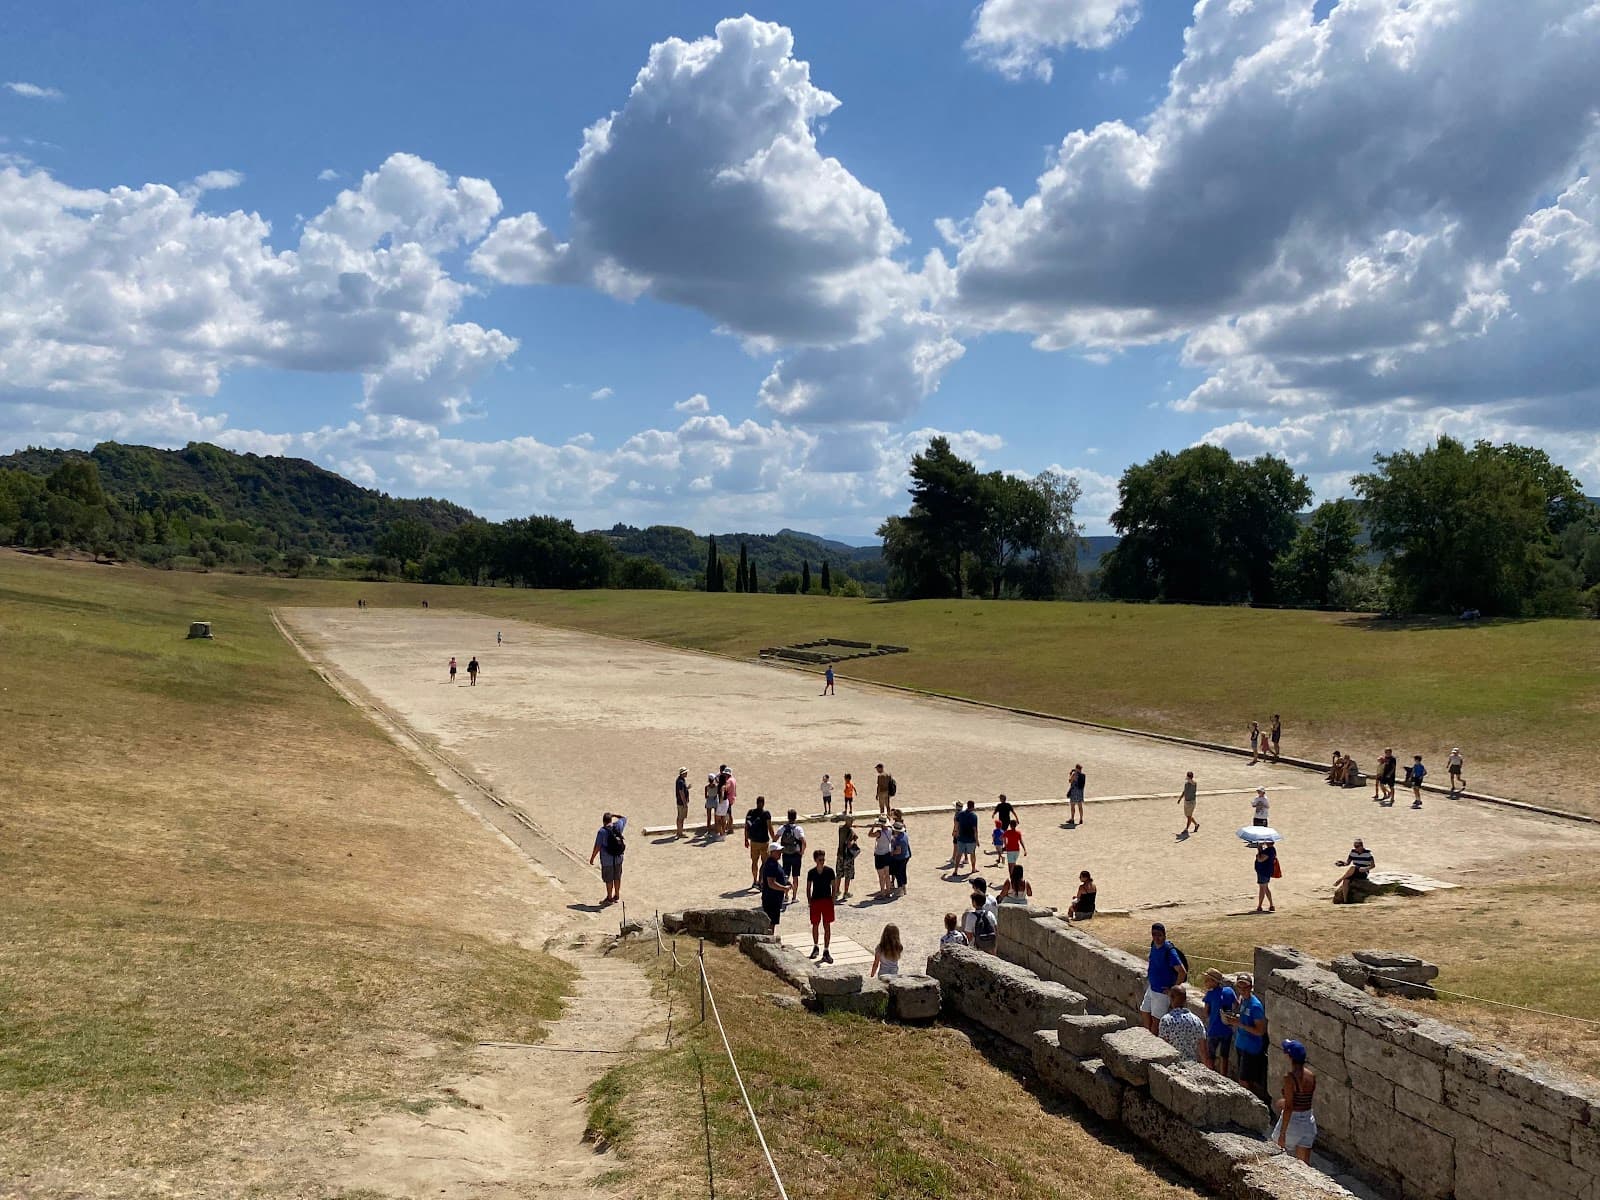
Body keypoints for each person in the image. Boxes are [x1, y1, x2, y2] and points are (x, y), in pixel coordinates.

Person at [1226, 973, 1269, 1101]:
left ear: (1251, 987)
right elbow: (1245, 1019)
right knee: (1244, 1078)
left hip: (1251, 1048)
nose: (1242, 990)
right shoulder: (1243, 1000)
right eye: (1239, 987)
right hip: (1241, 1044)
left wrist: (1239, 1024)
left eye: (1245, 987)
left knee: (1244, 1080)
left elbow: (1260, 1031)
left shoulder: (1255, 1006)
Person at [1273, 1040, 1318, 1162]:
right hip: (1308, 1122)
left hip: (1292, 1123)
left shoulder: (1289, 1078)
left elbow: (1289, 1107)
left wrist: (1282, 1134)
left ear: (1290, 1056)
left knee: (1276, 1156)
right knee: (1304, 1167)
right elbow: (1303, 1099)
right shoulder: (1311, 1076)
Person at [1142, 923, 1187, 1032]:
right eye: (1154, 934)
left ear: (1164, 935)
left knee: (1156, 1021)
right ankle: (1147, 1035)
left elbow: (1182, 972)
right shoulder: (1153, 945)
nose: (1156, 938)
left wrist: (1172, 990)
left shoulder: (1169, 951)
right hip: (1152, 987)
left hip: (1162, 992)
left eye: (1159, 935)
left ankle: (1153, 1043)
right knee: (1144, 1011)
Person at [1201, 968, 1237, 1075]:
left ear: (1214, 982)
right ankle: (1223, 1075)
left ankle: (1211, 1074)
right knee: (1224, 1055)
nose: (1205, 982)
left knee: (1211, 1054)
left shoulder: (1210, 994)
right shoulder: (1229, 991)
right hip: (1227, 1028)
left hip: (1214, 1029)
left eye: (1207, 980)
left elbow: (1206, 1012)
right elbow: (1236, 1004)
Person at [1158, 984, 1206, 1063]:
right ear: (1185, 999)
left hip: (1173, 1066)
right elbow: (1203, 1051)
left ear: (1171, 998)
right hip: (1191, 1067)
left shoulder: (1167, 1021)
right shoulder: (1197, 1020)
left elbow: (1163, 1047)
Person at [588, 811, 627, 907]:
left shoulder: (602, 831)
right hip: (618, 857)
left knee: (609, 879)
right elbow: (623, 818)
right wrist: (614, 815)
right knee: (617, 877)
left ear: (603, 821)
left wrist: (592, 858)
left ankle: (609, 897)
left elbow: (597, 846)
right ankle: (617, 895)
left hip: (607, 859)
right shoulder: (617, 826)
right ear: (611, 819)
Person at [805, 850, 836, 962]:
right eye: (820, 860)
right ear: (815, 860)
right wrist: (809, 901)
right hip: (816, 901)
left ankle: (826, 950)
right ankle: (816, 946)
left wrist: (833, 900)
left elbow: (834, 886)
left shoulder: (830, 871)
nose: (822, 861)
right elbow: (808, 887)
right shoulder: (811, 872)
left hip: (827, 900)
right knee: (815, 925)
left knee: (827, 925)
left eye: (823, 859)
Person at [1332, 838, 1375, 904]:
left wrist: (1365, 869)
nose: (1356, 848)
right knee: (1346, 880)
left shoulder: (1368, 853)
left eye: (1357, 846)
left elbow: (1373, 866)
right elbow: (1347, 863)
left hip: (1363, 872)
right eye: (1355, 846)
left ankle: (1339, 880)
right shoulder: (1353, 852)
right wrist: (1341, 864)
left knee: (1352, 867)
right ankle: (1345, 900)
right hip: (1354, 871)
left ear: (1361, 846)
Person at [777, 809, 807, 902]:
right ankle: (794, 897)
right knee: (795, 876)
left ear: (788, 817)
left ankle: (785, 895)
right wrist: (802, 852)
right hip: (795, 855)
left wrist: (780, 850)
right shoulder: (798, 829)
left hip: (786, 854)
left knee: (785, 875)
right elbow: (803, 841)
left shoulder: (783, 828)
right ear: (795, 817)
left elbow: (775, 838)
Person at [744, 796, 773, 888]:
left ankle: (754, 880)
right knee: (765, 862)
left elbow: (746, 827)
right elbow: (770, 828)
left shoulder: (751, 812)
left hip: (754, 841)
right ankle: (761, 881)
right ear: (763, 803)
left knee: (754, 862)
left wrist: (746, 839)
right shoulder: (766, 814)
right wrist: (774, 839)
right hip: (764, 842)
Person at [759, 844, 788, 929]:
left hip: (775, 898)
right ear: (772, 852)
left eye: (780, 851)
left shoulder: (775, 863)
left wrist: (786, 882)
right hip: (771, 899)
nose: (780, 853)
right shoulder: (771, 864)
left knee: (773, 922)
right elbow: (771, 883)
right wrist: (784, 888)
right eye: (778, 851)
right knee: (770, 923)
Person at [869, 816, 895, 897]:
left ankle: (883, 893)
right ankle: (888, 892)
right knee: (887, 875)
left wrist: (873, 827)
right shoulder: (890, 830)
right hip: (887, 853)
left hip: (879, 855)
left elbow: (870, 835)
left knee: (881, 876)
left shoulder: (879, 833)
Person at [954, 800, 980, 875]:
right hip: (970, 838)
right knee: (972, 853)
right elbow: (975, 829)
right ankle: (973, 868)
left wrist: (956, 831)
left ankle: (955, 870)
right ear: (973, 806)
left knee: (959, 854)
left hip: (961, 837)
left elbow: (956, 822)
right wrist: (977, 840)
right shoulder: (973, 816)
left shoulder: (960, 814)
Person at [835, 818, 859, 900]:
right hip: (847, 856)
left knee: (838, 874)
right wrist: (854, 840)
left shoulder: (840, 828)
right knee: (847, 875)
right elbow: (849, 844)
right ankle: (846, 892)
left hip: (840, 854)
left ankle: (836, 891)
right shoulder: (850, 831)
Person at [888, 817, 912, 896]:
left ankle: (900, 890)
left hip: (900, 858)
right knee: (903, 872)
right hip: (906, 856)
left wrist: (891, 853)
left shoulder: (898, 839)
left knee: (898, 874)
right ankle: (904, 889)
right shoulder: (904, 834)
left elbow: (898, 851)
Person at [1254, 839, 1277, 913]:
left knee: (1262, 889)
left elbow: (1260, 859)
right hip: (1265, 871)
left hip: (1263, 872)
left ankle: (1260, 906)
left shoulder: (1269, 851)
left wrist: (1259, 850)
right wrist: (1260, 849)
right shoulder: (1271, 850)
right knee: (1266, 888)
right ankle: (1271, 905)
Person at [1177, 771, 1200, 835]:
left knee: (1189, 816)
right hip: (1186, 801)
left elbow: (1193, 782)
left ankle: (1186, 829)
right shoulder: (1186, 784)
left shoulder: (1194, 783)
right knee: (1188, 816)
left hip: (1191, 802)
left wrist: (1189, 779)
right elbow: (1184, 791)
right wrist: (1180, 798)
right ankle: (1196, 824)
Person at [674, 768, 691, 837]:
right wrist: (685, 803)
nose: (686, 774)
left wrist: (687, 788)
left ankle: (679, 831)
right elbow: (681, 793)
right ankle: (680, 833)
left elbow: (682, 790)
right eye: (685, 772)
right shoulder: (680, 781)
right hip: (681, 802)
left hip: (680, 801)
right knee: (681, 818)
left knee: (680, 817)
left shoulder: (680, 780)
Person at [703, 773, 719, 837]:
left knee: (709, 817)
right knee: (716, 816)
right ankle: (716, 830)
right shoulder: (716, 786)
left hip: (709, 800)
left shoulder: (706, 787)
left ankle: (708, 831)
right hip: (715, 800)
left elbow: (706, 796)